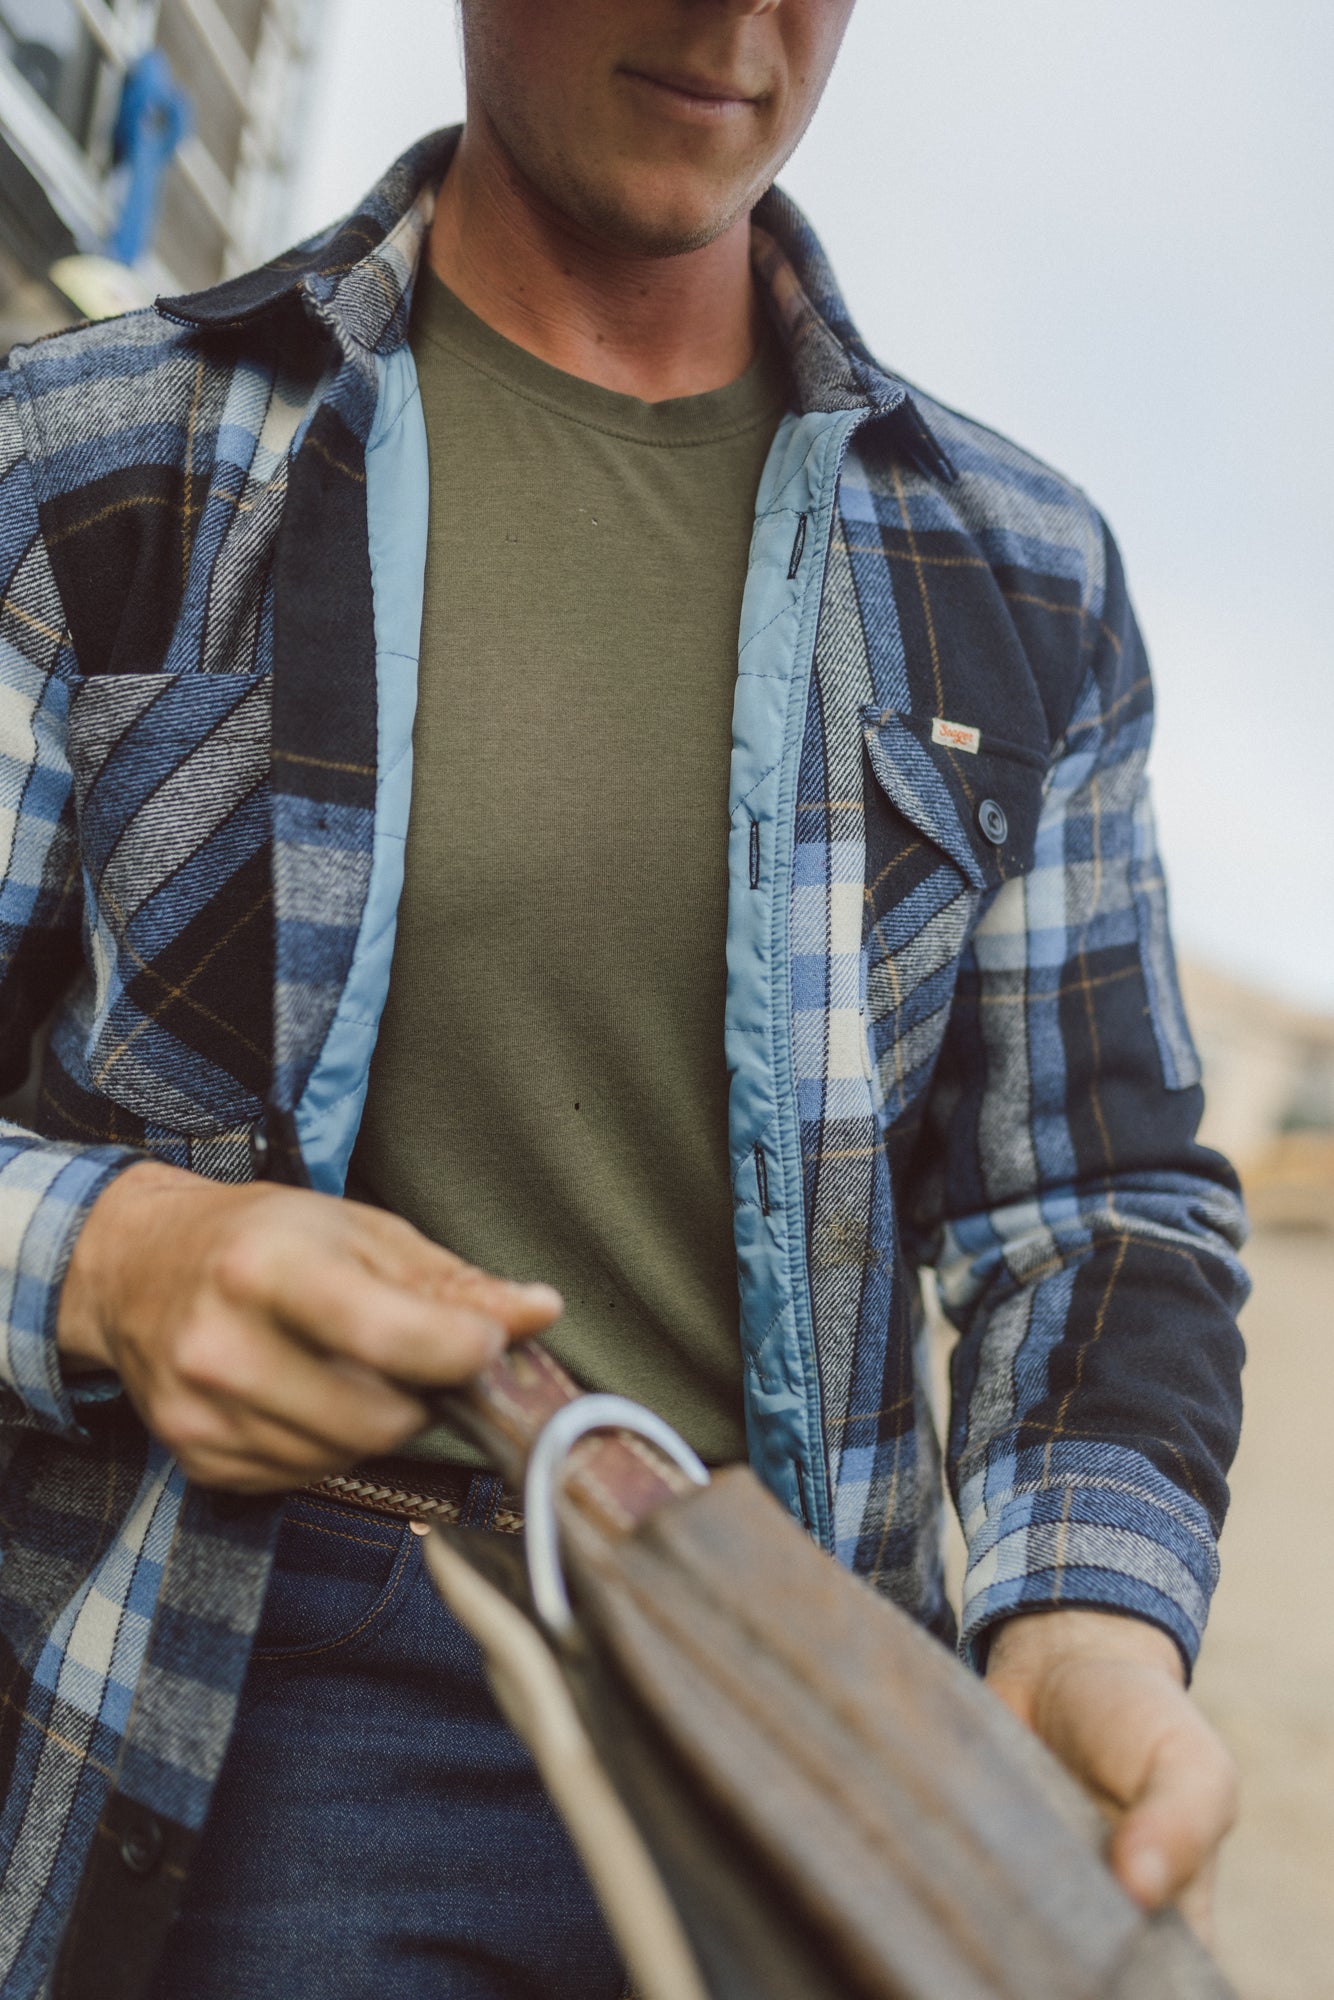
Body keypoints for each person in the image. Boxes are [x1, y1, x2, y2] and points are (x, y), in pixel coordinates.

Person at [0, 3, 1247, 1995]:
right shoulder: (95, 461)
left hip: (814, 1689)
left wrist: (1079, 1618)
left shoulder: (1021, 583)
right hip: (257, 1660)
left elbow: (1096, 1205)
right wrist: (106, 1255)